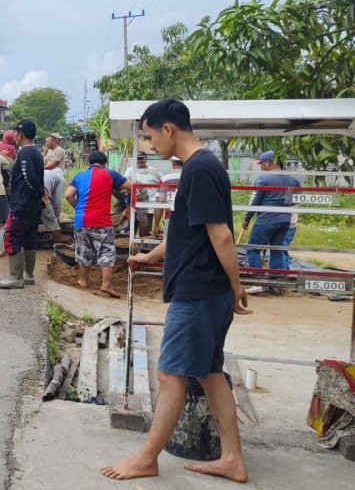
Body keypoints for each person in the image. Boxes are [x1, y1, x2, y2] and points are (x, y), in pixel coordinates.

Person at [102, 98, 250, 483]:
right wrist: (150, 256)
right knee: (210, 373)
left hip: (198, 291)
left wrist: (236, 285)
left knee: (170, 374)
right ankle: (232, 458)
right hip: (208, 289)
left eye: (151, 137)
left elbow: (221, 235)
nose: (151, 146)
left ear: (168, 128)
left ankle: (147, 458)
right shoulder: (201, 167)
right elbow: (189, 230)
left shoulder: (198, 169)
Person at [65, 151, 131, 298]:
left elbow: (68, 195)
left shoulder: (79, 176)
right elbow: (131, 187)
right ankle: (106, 285)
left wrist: (78, 208)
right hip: (101, 220)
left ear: (88, 162)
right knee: (106, 251)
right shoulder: (110, 174)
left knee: (83, 250)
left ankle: (83, 281)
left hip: (81, 220)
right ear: (104, 163)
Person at [0, 120, 46, 289]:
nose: (14, 137)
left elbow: (29, 177)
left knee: (12, 236)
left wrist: (40, 191)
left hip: (22, 204)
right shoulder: (37, 153)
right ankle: (28, 275)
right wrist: (40, 194)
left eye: (15, 133)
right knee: (29, 238)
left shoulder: (25, 153)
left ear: (21, 133)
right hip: (34, 205)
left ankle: (15, 277)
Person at [242, 150, 301, 274]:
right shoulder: (293, 179)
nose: (261, 167)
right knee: (277, 251)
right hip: (285, 220)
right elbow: (296, 198)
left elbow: (255, 201)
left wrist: (247, 218)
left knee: (252, 250)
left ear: (269, 163)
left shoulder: (263, 179)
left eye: (262, 164)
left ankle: (258, 278)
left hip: (266, 220)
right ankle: (276, 279)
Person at [124, 152, 163, 238]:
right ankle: (130, 245)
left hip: (149, 206)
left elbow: (162, 183)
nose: (139, 161)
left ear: (146, 159)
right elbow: (125, 184)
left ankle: (143, 245)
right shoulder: (130, 170)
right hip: (134, 204)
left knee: (145, 232)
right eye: (137, 159)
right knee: (130, 231)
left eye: (141, 158)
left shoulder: (154, 171)